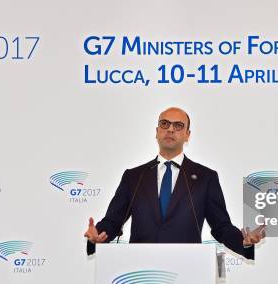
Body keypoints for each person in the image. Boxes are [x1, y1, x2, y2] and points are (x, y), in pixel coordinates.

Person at [84, 107, 265, 258]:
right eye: (165, 124)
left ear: (187, 135)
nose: (170, 129)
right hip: (139, 265)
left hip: (187, 268)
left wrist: (243, 242)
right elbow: (113, 222)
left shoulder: (206, 177)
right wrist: (97, 235)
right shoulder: (134, 177)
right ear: (157, 132)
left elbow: (221, 226)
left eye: (178, 126)